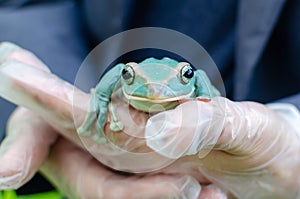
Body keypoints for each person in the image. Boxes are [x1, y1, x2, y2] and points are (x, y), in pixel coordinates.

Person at [0, 0, 299, 198]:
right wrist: (68, 101)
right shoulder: (123, 77)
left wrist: (293, 131)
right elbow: (27, 4)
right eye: (130, 77)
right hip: (104, 135)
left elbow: (198, 79)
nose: (157, 91)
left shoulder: (192, 80)